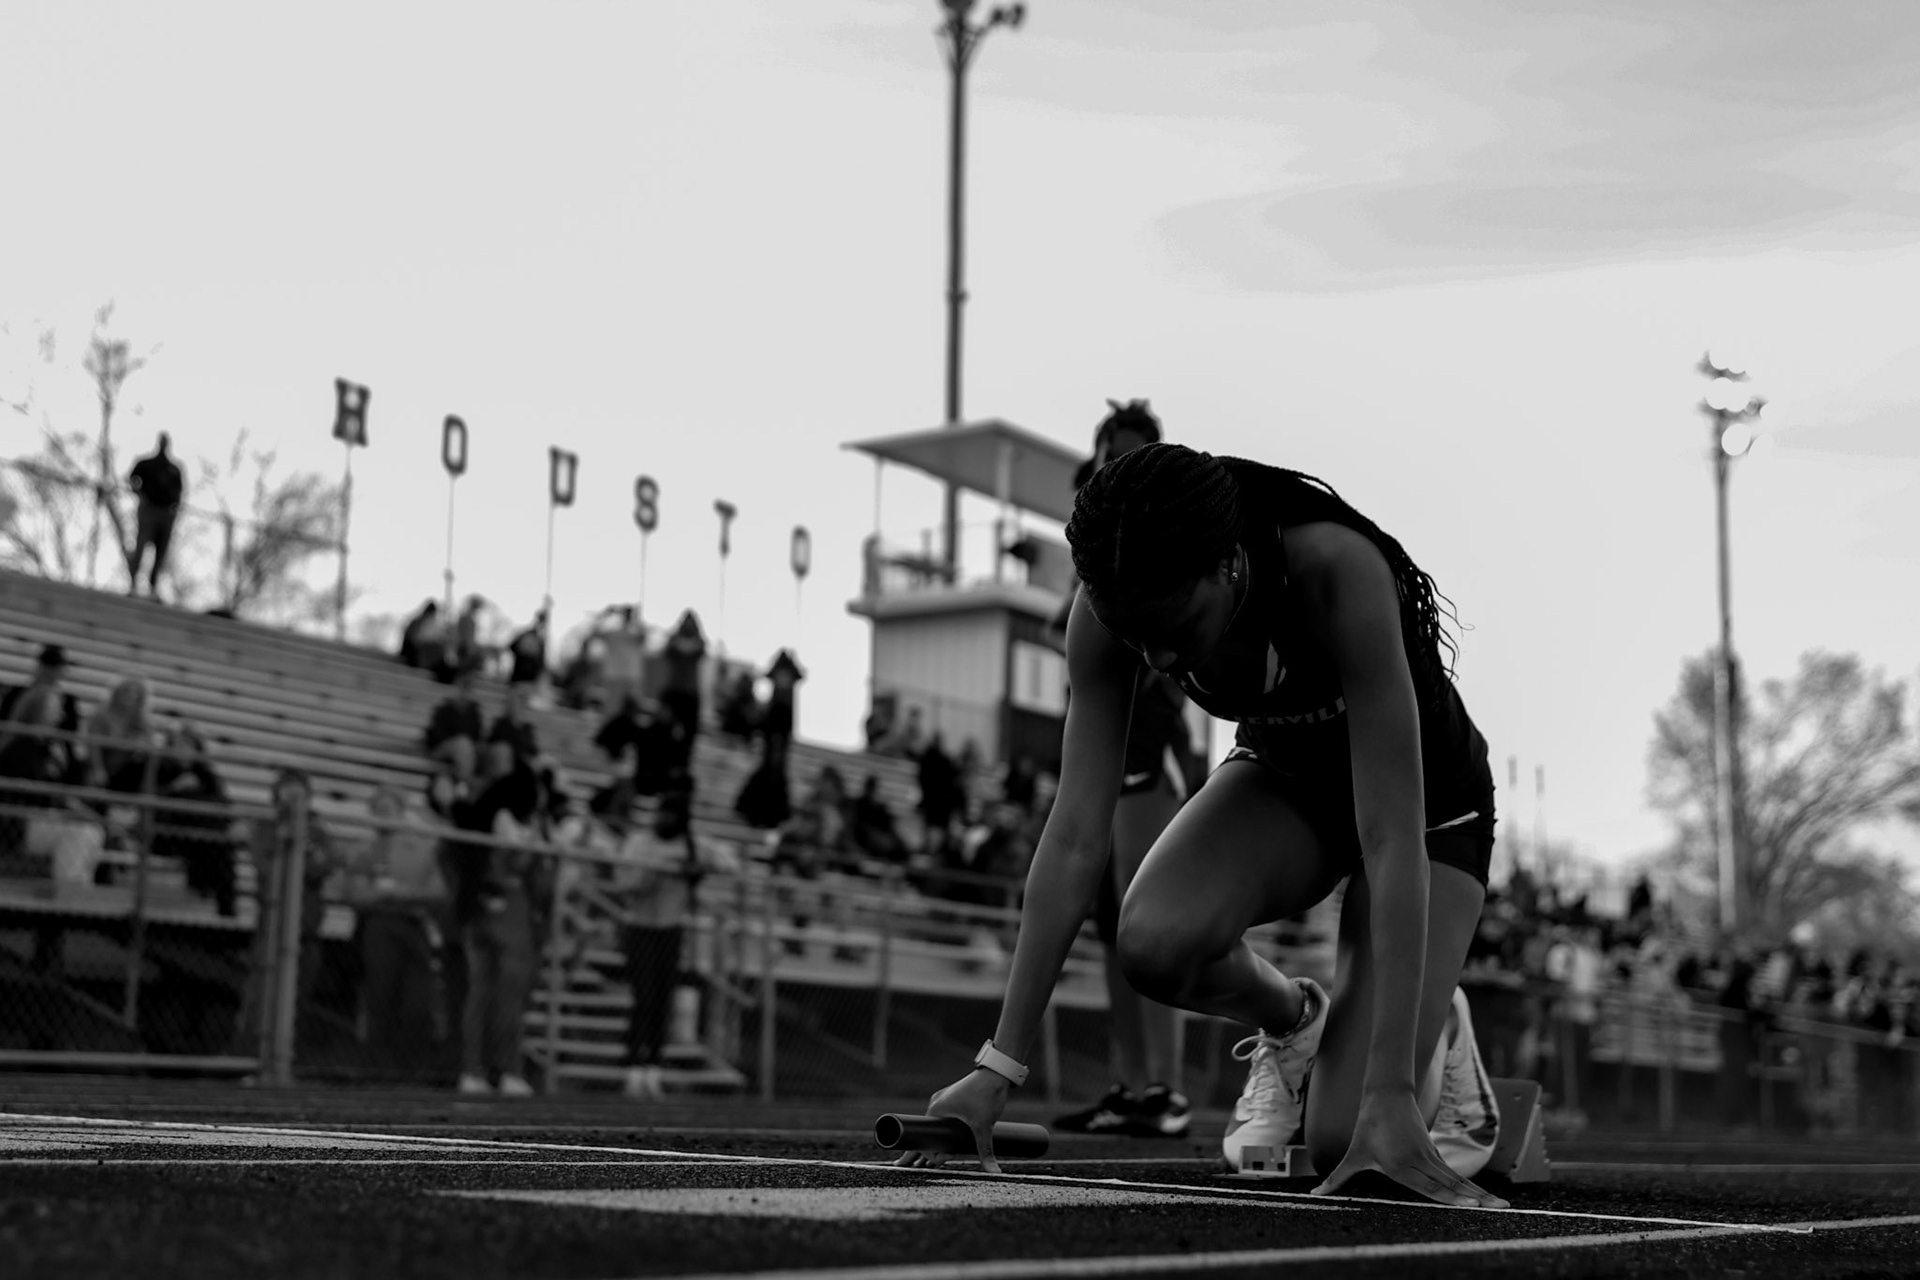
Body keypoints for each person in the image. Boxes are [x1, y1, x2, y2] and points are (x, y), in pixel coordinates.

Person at [897, 439, 1508, 1210]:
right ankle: (1298, 1022)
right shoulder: (1106, 610)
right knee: (1151, 940)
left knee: (1344, 1141)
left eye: (1176, 624)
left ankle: (1433, 1034)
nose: (1156, 654)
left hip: (1427, 813)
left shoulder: (1335, 571)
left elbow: (1389, 835)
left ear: (1229, 566)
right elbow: (1077, 833)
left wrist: (1388, 1092)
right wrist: (998, 1066)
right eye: (1134, 635)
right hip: (1292, 782)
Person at [1048, 400, 1199, 1140]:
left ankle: (1166, 1088)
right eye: (1108, 458)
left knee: (1148, 927)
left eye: (1127, 458)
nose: (1113, 471)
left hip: (1151, 760)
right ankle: (1131, 1083)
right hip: (1111, 762)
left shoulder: (1168, 541)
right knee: (1112, 931)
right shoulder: (1096, 551)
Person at [127, 433, 184, 598]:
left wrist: (173, 510)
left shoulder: (174, 469)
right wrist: (141, 496)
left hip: (165, 515)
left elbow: (179, 492)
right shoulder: (147, 464)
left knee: (160, 552)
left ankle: (153, 587)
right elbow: (132, 478)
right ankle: (133, 584)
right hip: (149, 512)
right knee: (141, 547)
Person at [86, 674, 156, 794]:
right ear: (117, 692)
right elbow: (93, 744)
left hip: (126, 767)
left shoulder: (141, 719)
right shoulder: (102, 714)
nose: (131, 696)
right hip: (105, 762)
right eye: (127, 691)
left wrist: (137, 743)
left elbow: (149, 742)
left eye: (135, 693)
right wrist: (98, 769)